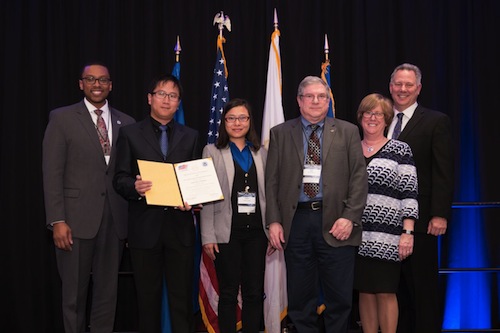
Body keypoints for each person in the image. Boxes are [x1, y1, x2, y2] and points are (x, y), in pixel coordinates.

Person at [266, 76, 368, 332]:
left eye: (321, 96)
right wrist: (274, 221)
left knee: (340, 298)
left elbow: (359, 178)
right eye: (309, 96)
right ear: (299, 101)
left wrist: (349, 217)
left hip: (337, 222)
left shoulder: (348, 131)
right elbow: (272, 182)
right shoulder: (280, 133)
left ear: (328, 101)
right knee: (300, 298)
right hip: (296, 224)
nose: (315, 101)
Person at [42, 62, 135, 333]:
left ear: (111, 85)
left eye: (103, 80)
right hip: (74, 222)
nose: (97, 84)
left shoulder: (125, 122)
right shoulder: (62, 118)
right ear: (81, 84)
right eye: (91, 79)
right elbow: (52, 173)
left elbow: (125, 173)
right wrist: (57, 219)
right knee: (74, 295)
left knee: (108, 293)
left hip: (115, 221)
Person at [113, 74, 201, 332]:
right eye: (161, 94)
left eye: (172, 96)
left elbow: (196, 179)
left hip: (180, 229)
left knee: (182, 300)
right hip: (144, 229)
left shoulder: (191, 136)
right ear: (150, 98)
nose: (166, 100)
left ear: (178, 103)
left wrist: (193, 201)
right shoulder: (129, 133)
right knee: (147, 301)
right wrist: (134, 187)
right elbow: (119, 178)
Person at [386, 63, 454, 333]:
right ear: (390, 87)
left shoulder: (436, 121)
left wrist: (439, 213)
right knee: (393, 288)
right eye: (398, 84)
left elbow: (443, 171)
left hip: (423, 219)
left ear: (419, 89)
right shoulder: (378, 118)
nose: (402, 89)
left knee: (422, 287)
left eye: (408, 85)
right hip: (384, 221)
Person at [200, 98, 269, 333]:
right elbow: (208, 197)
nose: (237, 123)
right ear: (224, 122)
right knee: (228, 293)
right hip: (225, 233)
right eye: (231, 118)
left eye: (242, 118)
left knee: (253, 293)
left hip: (258, 233)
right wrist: (207, 235)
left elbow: (268, 195)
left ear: (250, 121)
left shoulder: (262, 152)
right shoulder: (212, 151)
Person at [353, 93, 418, 333]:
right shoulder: (350, 149)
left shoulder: (400, 149)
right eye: (367, 113)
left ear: (387, 118)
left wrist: (407, 232)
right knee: (365, 291)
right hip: (356, 236)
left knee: (386, 291)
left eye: (378, 113)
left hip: (389, 237)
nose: (372, 118)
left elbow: (409, 193)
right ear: (360, 117)